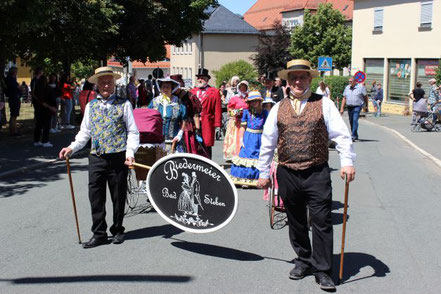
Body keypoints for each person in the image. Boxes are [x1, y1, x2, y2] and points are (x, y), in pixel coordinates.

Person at [257, 59, 355, 291]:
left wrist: (347, 162)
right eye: (293, 78)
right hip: (287, 172)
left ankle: (323, 270)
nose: (298, 81)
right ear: (288, 82)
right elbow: (268, 142)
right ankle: (303, 260)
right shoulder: (278, 108)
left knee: (321, 220)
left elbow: (341, 135)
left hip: (316, 172)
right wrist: (263, 173)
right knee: (296, 220)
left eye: (302, 77)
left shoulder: (325, 104)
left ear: (310, 79)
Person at [59, 66, 139, 248]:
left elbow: (133, 132)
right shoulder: (91, 106)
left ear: (113, 84)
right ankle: (99, 233)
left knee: (118, 196)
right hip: (96, 158)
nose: (105, 85)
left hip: (118, 157)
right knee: (95, 197)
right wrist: (71, 148)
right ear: (97, 84)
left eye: (108, 81)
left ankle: (118, 229)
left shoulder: (124, 104)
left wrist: (130, 153)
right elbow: (84, 133)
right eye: (102, 82)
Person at [231, 91, 268, 185]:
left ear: (259, 102)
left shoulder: (265, 112)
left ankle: (258, 179)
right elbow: (243, 127)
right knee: (246, 155)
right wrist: (241, 139)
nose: (253, 103)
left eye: (255, 101)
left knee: (259, 156)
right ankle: (244, 179)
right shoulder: (246, 112)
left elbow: (268, 127)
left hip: (260, 137)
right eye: (251, 101)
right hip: (248, 137)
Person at [190, 68, 222, 159]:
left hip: (207, 122)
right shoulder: (192, 91)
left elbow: (218, 109)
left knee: (206, 144)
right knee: (194, 143)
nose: (200, 80)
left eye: (202, 78)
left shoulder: (214, 92)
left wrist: (218, 125)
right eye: (199, 78)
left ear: (207, 80)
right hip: (193, 122)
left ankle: (207, 163)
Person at [148, 77, 187, 151]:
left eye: (168, 87)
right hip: (157, 141)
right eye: (163, 87)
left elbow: (183, 120)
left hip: (174, 141)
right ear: (160, 88)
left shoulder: (178, 103)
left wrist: (180, 134)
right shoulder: (155, 102)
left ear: (172, 88)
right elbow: (149, 118)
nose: (165, 89)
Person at [170, 74, 203, 155]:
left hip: (187, 126)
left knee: (189, 148)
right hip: (173, 126)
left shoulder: (190, 96)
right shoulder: (169, 97)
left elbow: (196, 114)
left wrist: (198, 130)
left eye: (175, 85)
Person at [223, 80, 249, 161]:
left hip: (246, 122)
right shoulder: (234, 98)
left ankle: (244, 154)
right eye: (241, 87)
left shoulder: (249, 98)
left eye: (244, 87)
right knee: (235, 138)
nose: (243, 89)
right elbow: (229, 111)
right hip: (236, 121)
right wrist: (238, 111)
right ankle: (234, 155)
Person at [340, 77, 368, 141]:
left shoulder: (361, 87)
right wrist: (342, 108)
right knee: (351, 120)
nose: (349, 83)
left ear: (355, 81)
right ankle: (355, 134)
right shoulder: (347, 88)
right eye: (349, 81)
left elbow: (365, 96)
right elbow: (344, 98)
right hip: (349, 106)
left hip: (357, 106)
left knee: (355, 120)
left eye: (351, 81)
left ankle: (353, 136)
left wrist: (366, 106)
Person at [33, 75, 58, 147]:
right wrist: (52, 107)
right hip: (47, 109)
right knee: (46, 125)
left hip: (38, 108)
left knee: (38, 125)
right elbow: (52, 99)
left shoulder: (37, 89)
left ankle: (36, 140)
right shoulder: (48, 89)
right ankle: (45, 140)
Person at [5, 67, 21, 136]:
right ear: (14, 72)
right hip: (14, 98)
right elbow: (16, 87)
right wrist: (18, 87)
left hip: (14, 98)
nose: (16, 73)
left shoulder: (11, 79)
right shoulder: (10, 79)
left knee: (14, 115)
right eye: (16, 72)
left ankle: (14, 130)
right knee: (13, 115)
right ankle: (12, 131)